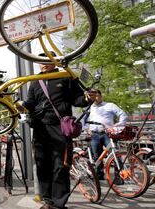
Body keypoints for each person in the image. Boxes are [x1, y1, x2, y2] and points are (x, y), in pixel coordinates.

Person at [19, 56, 93, 209]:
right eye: (40, 62)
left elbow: (78, 99)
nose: (43, 64)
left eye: (47, 61)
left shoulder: (64, 76)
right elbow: (30, 104)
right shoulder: (34, 81)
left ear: (54, 62)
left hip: (60, 127)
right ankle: (48, 201)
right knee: (42, 164)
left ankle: (58, 204)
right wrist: (22, 106)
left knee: (61, 165)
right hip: (40, 128)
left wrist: (87, 98)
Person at [85, 89, 128, 181]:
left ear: (101, 96)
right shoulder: (89, 107)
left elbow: (123, 115)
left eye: (96, 95)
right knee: (97, 156)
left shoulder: (109, 105)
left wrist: (117, 125)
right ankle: (99, 176)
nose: (95, 98)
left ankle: (119, 177)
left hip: (107, 134)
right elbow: (85, 120)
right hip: (94, 134)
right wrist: (87, 128)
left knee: (115, 154)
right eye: (92, 96)